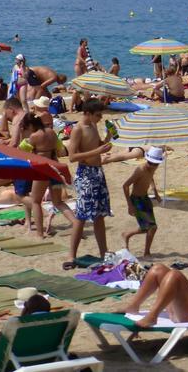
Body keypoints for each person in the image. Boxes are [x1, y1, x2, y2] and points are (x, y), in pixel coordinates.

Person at [64, 99, 113, 270]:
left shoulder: (92, 126)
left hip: (98, 172)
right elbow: (72, 157)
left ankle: (103, 252)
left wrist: (107, 138)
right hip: (85, 174)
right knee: (82, 216)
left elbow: (97, 145)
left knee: (99, 214)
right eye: (98, 115)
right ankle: (71, 255)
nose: (100, 118)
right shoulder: (77, 129)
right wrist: (98, 151)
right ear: (88, 113)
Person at [19, 114, 75, 239]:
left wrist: (23, 136)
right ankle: (76, 224)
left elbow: (22, 152)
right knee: (58, 202)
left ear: (32, 125)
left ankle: (40, 234)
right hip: (55, 167)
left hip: (42, 170)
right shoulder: (52, 132)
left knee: (36, 202)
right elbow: (60, 150)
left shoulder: (34, 136)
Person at [122, 146, 164, 257]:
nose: (151, 166)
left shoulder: (152, 169)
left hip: (145, 198)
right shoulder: (140, 170)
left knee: (149, 227)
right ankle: (145, 251)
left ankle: (129, 236)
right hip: (136, 200)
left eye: (154, 164)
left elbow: (151, 178)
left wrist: (155, 192)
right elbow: (125, 186)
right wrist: (129, 205)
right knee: (151, 227)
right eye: (150, 163)